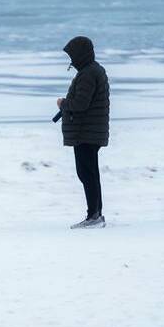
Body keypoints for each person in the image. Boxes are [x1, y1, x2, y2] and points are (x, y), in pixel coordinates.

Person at [57, 36, 110, 229]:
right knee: (90, 173)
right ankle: (96, 215)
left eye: (72, 55)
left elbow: (80, 104)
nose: (71, 60)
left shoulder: (88, 74)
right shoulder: (93, 70)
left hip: (86, 132)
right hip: (90, 131)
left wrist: (63, 104)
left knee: (86, 173)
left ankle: (93, 216)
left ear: (80, 55)